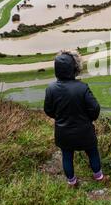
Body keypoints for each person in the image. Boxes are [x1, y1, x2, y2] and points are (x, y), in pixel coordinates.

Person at [44, 50, 106, 187]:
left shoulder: (51, 89)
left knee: (67, 156)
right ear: (75, 68)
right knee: (92, 152)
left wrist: (59, 118)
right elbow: (95, 108)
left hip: (63, 132)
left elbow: (48, 110)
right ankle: (99, 176)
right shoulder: (82, 87)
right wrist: (89, 119)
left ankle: (72, 182)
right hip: (85, 131)